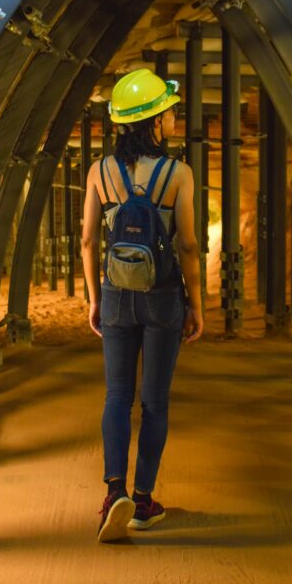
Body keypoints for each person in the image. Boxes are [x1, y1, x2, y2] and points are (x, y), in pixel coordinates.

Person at [81, 68, 204, 543]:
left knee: (116, 396)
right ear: (153, 121)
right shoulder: (179, 175)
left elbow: (90, 239)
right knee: (154, 402)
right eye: (168, 111)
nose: (174, 117)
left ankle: (114, 493)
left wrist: (95, 298)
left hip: (115, 296)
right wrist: (198, 306)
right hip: (162, 298)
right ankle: (144, 500)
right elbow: (189, 245)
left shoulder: (99, 172)